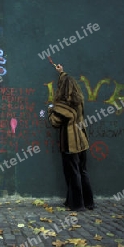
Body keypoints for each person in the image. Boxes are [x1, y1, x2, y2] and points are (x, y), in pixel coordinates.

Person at [48, 64, 94, 211]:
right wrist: (61, 72)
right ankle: (89, 202)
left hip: (70, 144)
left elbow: (55, 122)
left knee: (73, 173)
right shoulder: (79, 102)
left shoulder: (62, 106)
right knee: (83, 171)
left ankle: (77, 204)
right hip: (82, 142)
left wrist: (50, 111)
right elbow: (66, 80)